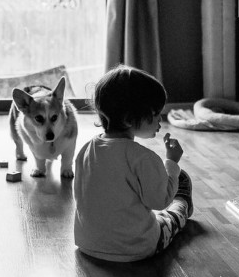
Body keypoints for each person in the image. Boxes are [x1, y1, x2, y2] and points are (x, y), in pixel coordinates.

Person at [74, 64, 193, 262]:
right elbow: (160, 201)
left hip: (87, 243)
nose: (160, 121)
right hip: (136, 247)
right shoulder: (143, 158)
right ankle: (183, 203)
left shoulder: (86, 149)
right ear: (129, 119)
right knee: (171, 215)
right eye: (155, 114)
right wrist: (171, 163)